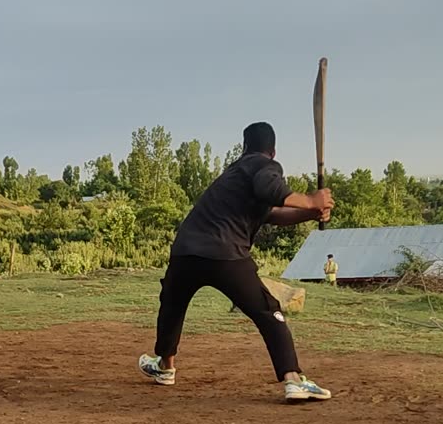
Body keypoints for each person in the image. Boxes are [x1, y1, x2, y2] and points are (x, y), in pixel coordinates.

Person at [139, 121, 335, 402]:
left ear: (244, 147)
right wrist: (309, 200)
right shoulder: (262, 165)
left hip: (186, 252)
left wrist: (311, 212)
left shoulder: (234, 175)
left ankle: (165, 367)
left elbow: (272, 214)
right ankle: (293, 379)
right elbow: (270, 188)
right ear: (274, 152)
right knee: (267, 311)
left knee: (172, 306)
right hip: (225, 253)